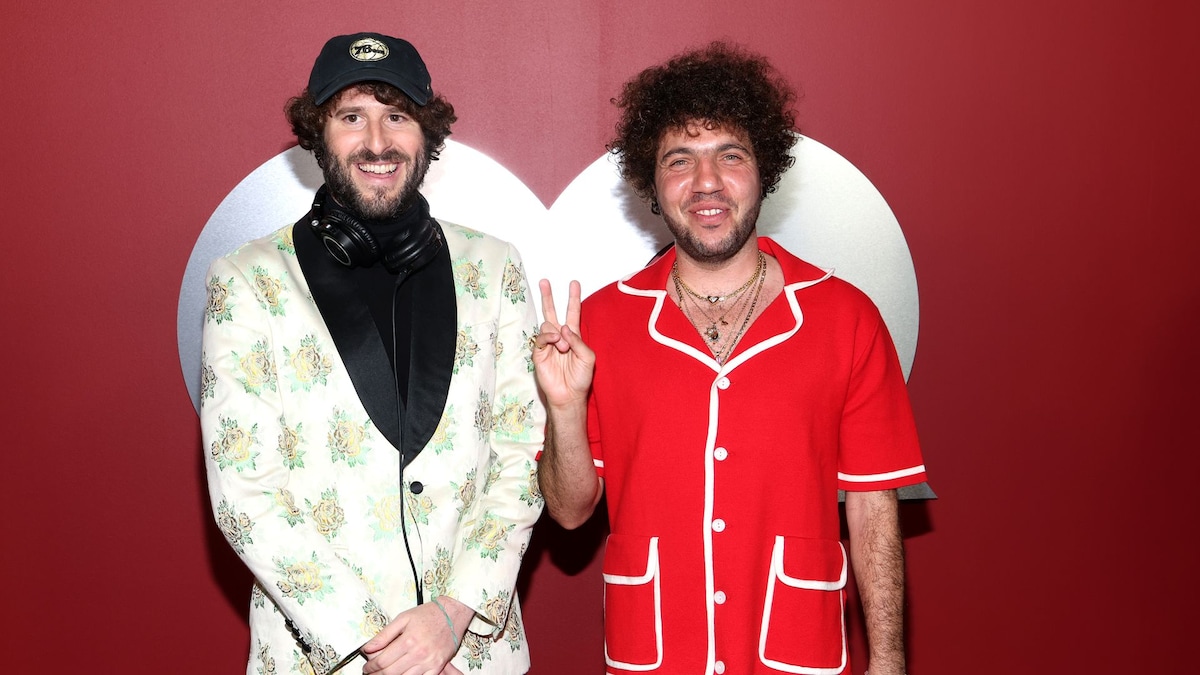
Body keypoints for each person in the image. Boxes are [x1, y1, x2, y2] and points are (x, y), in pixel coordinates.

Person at [534, 42, 927, 675]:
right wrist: (564, 408)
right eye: (679, 160)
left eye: (730, 155)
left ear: (764, 168)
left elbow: (873, 508)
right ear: (652, 183)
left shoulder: (845, 317)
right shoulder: (599, 323)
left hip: (795, 654)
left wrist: (889, 662)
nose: (706, 182)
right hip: (655, 655)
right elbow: (570, 509)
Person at [201, 32, 544, 675]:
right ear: (318, 134)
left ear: (427, 133)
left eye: (398, 116)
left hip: (472, 651)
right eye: (352, 117)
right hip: (322, 658)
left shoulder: (494, 266)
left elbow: (523, 454)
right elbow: (245, 494)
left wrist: (452, 616)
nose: (378, 142)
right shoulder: (247, 279)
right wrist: (384, 649)